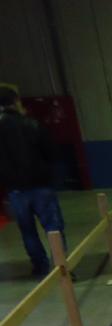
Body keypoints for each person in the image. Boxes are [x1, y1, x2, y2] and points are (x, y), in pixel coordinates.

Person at [0, 85, 64, 277]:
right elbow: (52, 153)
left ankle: (40, 269)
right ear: (15, 101)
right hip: (41, 186)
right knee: (54, 228)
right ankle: (62, 268)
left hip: (15, 191)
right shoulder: (32, 124)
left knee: (27, 232)